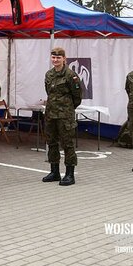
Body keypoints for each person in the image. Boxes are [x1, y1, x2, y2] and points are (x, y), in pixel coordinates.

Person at [42, 47, 82, 186]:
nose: (55, 60)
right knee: (51, 143)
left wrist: (67, 108)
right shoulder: (49, 74)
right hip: (51, 114)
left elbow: (77, 97)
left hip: (65, 116)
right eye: (53, 57)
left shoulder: (71, 75)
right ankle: (54, 172)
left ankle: (70, 174)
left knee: (67, 144)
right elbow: (49, 92)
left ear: (64, 59)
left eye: (58, 58)